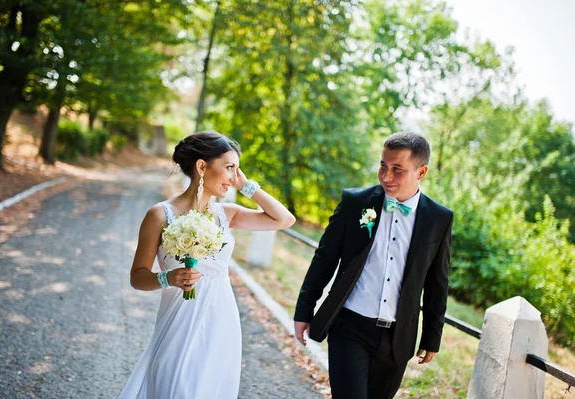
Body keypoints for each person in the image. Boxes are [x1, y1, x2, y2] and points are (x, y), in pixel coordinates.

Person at [119, 130, 295, 399]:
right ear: (202, 166)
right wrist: (169, 278)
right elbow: (137, 276)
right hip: (178, 321)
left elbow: (284, 220)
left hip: (221, 323)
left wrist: (247, 186)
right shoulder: (159, 215)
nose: (234, 177)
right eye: (229, 168)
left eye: (237, 170)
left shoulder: (228, 214)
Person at [293, 132, 453, 399]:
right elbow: (325, 258)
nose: (386, 176)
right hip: (350, 327)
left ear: (421, 171)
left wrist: (432, 335)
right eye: (383, 165)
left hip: (397, 337)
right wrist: (304, 310)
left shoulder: (439, 218)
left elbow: (438, 281)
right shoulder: (355, 202)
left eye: (397, 169)